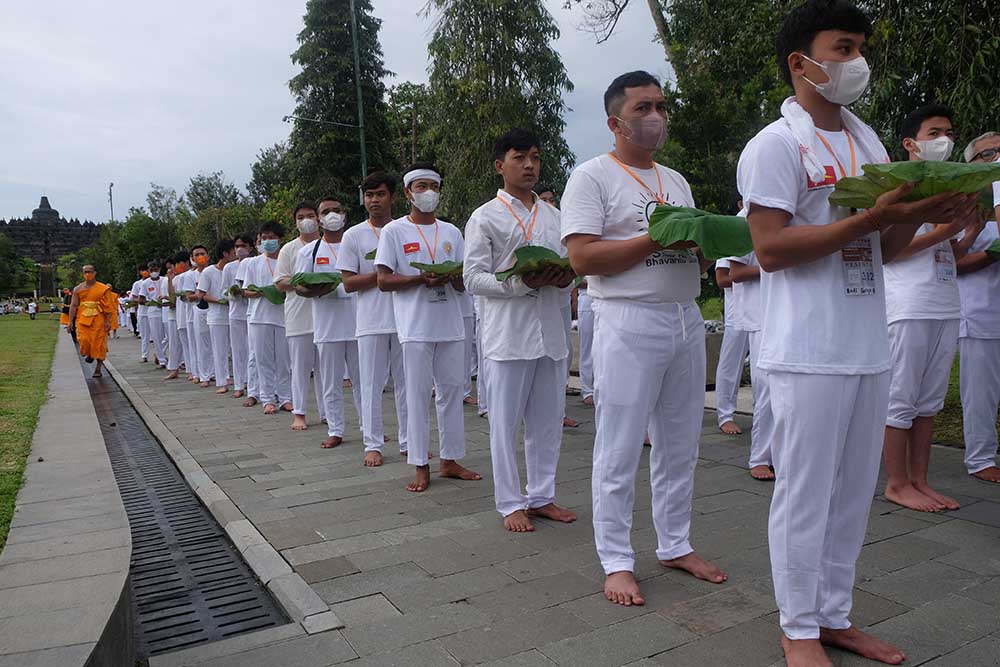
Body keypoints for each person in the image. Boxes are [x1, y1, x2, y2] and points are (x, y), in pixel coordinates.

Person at [737, 2, 977, 664]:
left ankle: (833, 614)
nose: (857, 62)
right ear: (801, 62)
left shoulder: (867, 143)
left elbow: (887, 249)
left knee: (849, 497)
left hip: (866, 344)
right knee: (805, 494)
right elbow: (771, 248)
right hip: (806, 349)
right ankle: (797, 627)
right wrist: (870, 219)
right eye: (842, 48)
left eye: (859, 48)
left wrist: (927, 215)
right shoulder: (775, 145)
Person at [562, 70, 726, 608]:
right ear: (615, 122)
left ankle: (675, 543)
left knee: (681, 443)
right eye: (642, 109)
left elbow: (696, 253)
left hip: (684, 317)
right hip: (627, 320)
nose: (656, 116)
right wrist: (654, 238)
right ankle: (616, 560)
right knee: (620, 445)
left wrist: (703, 246)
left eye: (660, 106)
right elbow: (582, 258)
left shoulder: (675, 180)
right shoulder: (592, 177)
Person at [465, 128, 578, 532]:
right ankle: (510, 502)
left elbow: (571, 266)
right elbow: (472, 278)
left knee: (548, 421)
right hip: (508, 335)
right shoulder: (485, 216)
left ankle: (542, 496)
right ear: (500, 165)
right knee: (505, 424)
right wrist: (516, 284)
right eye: (519, 158)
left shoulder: (555, 217)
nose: (529, 165)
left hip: (550, 331)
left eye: (535, 157)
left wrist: (565, 278)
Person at [882, 105, 983, 512]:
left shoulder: (948, 189)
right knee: (901, 398)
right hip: (909, 304)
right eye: (934, 132)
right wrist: (946, 229)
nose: (945, 140)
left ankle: (920, 480)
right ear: (911, 143)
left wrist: (968, 231)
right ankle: (897, 483)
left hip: (944, 303)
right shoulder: (898, 188)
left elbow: (947, 253)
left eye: (950, 133)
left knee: (929, 402)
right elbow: (891, 251)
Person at [374, 163, 481, 492]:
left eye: (433, 187)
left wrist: (453, 277)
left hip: (450, 322)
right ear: (408, 193)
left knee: (452, 392)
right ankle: (420, 463)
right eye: (421, 187)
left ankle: (450, 459)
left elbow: (465, 281)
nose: (427, 193)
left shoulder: (451, 232)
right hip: (415, 326)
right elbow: (383, 280)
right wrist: (420, 279)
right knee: (418, 395)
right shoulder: (394, 231)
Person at [338, 172, 409, 466]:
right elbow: (348, 283)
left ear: (393, 196)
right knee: (370, 384)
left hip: (406, 318)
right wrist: (381, 275)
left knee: (408, 384)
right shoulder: (353, 235)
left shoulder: (405, 230)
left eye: (380, 194)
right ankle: (373, 444)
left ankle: (410, 442)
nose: (374, 200)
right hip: (370, 320)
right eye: (369, 195)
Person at [296, 198, 363, 449]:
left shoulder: (356, 243)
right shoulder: (310, 251)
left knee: (363, 382)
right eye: (326, 212)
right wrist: (318, 289)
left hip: (358, 324)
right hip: (327, 325)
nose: (332, 215)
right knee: (331, 382)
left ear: (345, 214)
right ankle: (335, 430)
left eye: (337, 210)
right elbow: (299, 286)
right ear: (318, 218)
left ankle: (369, 427)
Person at [956, 131, 1000, 484]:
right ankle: (981, 458)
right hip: (980, 311)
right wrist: (992, 252)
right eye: (989, 154)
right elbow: (952, 263)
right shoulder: (963, 206)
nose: (997, 158)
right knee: (981, 393)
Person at [727, 244, 776, 480]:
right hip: (759, 319)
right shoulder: (744, 225)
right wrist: (780, 265)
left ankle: (781, 454)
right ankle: (760, 457)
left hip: (787, 314)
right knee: (766, 390)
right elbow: (735, 273)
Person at [275, 203, 325, 430]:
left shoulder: (329, 245)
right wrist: (302, 282)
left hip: (327, 316)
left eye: (310, 216)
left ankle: (327, 413)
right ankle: (300, 413)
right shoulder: (289, 249)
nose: (306, 220)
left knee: (326, 370)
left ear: (318, 219)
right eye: (301, 217)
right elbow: (280, 282)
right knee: (300, 368)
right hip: (298, 316)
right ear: (295, 222)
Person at [243, 222, 293, 415]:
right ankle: (267, 399)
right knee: (263, 361)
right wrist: (264, 292)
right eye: (264, 238)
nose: (268, 241)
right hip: (259, 318)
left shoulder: (287, 260)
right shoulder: (253, 263)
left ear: (280, 240)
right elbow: (246, 291)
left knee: (284, 360)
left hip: (283, 317)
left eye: (271, 237)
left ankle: (286, 398)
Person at [713, 254, 750, 435]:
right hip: (738, 315)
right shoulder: (732, 242)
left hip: (765, 312)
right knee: (730, 365)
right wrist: (763, 274)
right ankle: (725, 415)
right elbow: (722, 279)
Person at [197, 239, 237, 394]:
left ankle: (237, 378)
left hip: (233, 315)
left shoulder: (234, 269)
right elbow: (201, 294)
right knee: (219, 350)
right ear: (225, 253)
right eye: (233, 251)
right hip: (217, 316)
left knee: (235, 350)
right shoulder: (209, 272)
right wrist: (219, 301)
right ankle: (222, 381)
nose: (235, 254)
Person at [67, 266, 117, 377]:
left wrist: (108, 322)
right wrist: (70, 321)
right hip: (83, 319)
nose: (87, 274)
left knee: (99, 343)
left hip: (98, 319)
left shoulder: (103, 288)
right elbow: (73, 305)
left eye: (90, 272)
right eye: (85, 272)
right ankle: (89, 353)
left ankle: (98, 369)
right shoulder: (78, 289)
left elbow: (109, 307)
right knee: (83, 340)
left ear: (95, 273)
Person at [223, 234, 254, 399]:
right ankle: (239, 384)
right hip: (236, 312)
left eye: (243, 246)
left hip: (252, 312)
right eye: (237, 246)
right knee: (237, 350)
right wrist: (234, 293)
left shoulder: (254, 263)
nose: (240, 249)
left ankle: (252, 382)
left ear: (250, 248)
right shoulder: (229, 268)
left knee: (252, 349)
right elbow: (223, 291)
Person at [237, 235, 262, 407]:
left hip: (277, 313)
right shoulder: (249, 263)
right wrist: (260, 292)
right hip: (254, 313)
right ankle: (253, 392)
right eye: (261, 240)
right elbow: (243, 289)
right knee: (254, 354)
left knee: (279, 356)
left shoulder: (282, 257)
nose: (265, 243)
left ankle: (278, 392)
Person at [166, 252, 191, 381]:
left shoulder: (193, 274)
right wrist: (170, 280)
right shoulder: (176, 279)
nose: (175, 267)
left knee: (194, 345)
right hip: (180, 315)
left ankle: (197, 371)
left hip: (193, 314)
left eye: (177, 264)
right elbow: (172, 299)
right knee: (185, 345)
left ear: (186, 262)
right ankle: (190, 370)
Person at [139, 260, 168, 368]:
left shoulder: (165, 280)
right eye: (151, 270)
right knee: (156, 337)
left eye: (155, 270)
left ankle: (160, 353)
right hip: (153, 311)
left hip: (165, 309)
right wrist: (149, 302)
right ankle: (162, 360)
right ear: (149, 270)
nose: (154, 272)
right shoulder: (145, 283)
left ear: (159, 269)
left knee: (169, 336)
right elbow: (141, 299)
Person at [576, 279, 594, 406]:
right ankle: (588, 390)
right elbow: (576, 281)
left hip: (610, 299)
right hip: (587, 297)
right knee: (587, 348)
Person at [131, 265, 151, 361]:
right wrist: (141, 300)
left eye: (146, 270)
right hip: (143, 312)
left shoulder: (156, 281)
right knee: (144, 335)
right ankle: (144, 355)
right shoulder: (137, 284)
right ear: (140, 272)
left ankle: (160, 355)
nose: (145, 272)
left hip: (155, 311)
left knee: (159, 336)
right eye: (143, 270)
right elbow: (133, 297)